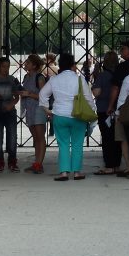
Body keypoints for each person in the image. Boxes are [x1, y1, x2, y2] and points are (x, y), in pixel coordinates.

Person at [37, 52, 96, 181]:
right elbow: (88, 98)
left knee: (63, 144)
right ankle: (77, 172)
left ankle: (63, 172)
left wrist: (47, 110)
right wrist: (92, 111)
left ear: (60, 65)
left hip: (59, 115)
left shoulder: (54, 79)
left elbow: (42, 94)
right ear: (72, 65)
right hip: (78, 115)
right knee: (77, 144)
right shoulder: (79, 79)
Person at [106, 40, 129, 177]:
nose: (121, 51)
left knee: (123, 137)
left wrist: (110, 106)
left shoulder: (122, 67)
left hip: (124, 107)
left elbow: (115, 88)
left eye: (123, 48)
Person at [18, 53, 48, 174]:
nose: (25, 64)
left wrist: (29, 94)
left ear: (34, 65)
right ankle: (37, 163)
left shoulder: (40, 78)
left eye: (28, 62)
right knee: (35, 138)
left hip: (38, 109)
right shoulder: (26, 77)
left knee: (40, 138)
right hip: (29, 110)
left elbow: (43, 96)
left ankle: (39, 164)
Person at [92, 51, 121, 175]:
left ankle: (109, 165)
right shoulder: (120, 74)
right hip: (118, 109)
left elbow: (96, 92)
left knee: (107, 138)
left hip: (104, 109)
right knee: (118, 138)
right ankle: (117, 164)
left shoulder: (102, 76)